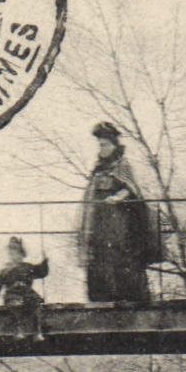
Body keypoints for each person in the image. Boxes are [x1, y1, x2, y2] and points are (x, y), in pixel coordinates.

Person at [77, 122, 154, 304]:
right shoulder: (98, 168)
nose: (102, 149)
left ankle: (126, 294)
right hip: (100, 219)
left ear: (114, 145)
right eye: (100, 145)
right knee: (101, 255)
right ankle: (103, 295)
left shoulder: (122, 164)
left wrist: (118, 197)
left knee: (120, 253)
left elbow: (131, 187)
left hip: (119, 218)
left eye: (105, 145)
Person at [0, 236, 49, 340]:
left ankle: (37, 331)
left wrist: (45, 262)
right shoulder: (6, 270)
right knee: (15, 305)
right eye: (12, 254)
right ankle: (19, 329)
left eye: (18, 254)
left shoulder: (28, 267)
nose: (15, 256)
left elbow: (41, 272)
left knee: (35, 303)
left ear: (22, 255)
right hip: (13, 293)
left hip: (27, 292)